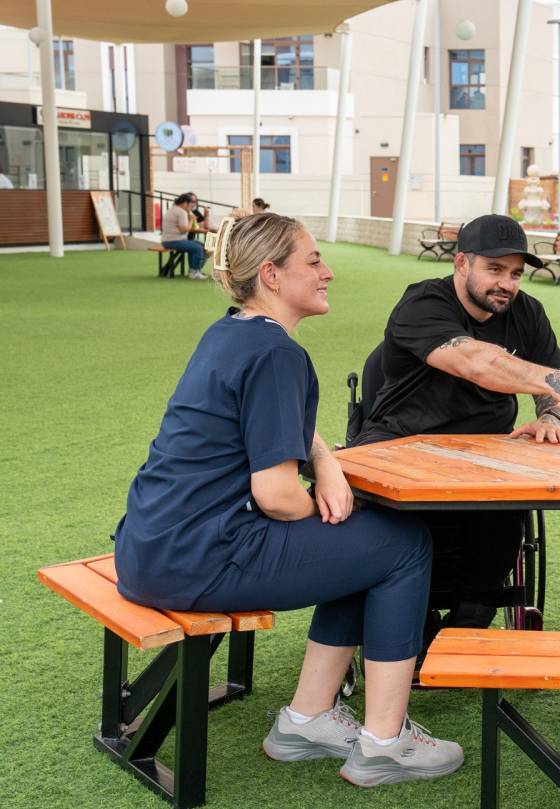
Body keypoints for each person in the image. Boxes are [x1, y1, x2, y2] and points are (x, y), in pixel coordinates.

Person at [114, 212, 463, 787]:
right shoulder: (277, 354)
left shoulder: (230, 332)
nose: (328, 273)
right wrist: (328, 506)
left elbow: (275, 426)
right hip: (199, 559)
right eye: (314, 261)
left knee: (363, 543)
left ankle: (308, 719)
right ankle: (383, 742)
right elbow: (276, 496)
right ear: (271, 275)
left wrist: (324, 461)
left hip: (146, 549)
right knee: (402, 545)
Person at [352, 213, 560, 634]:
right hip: (401, 440)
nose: (507, 283)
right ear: (462, 263)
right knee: (386, 517)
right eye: (495, 269)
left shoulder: (528, 312)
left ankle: (472, 617)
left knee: (506, 509)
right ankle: (409, 618)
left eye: (515, 273)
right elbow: (477, 362)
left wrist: (551, 415)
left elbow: (548, 376)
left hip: (486, 448)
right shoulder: (422, 303)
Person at [161, 193, 209, 280]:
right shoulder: (181, 212)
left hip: (167, 241)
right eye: (190, 204)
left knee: (201, 246)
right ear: (185, 203)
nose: (191, 207)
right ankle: (194, 272)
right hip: (174, 241)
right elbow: (184, 230)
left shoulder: (172, 209)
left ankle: (194, 270)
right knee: (198, 248)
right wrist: (191, 220)